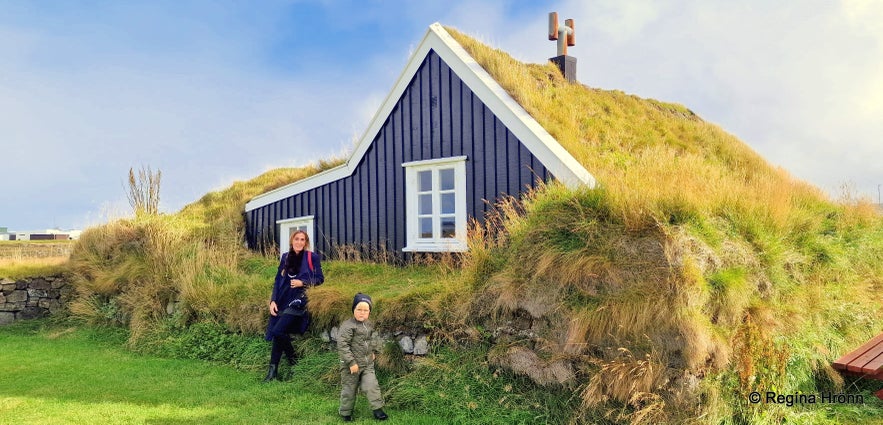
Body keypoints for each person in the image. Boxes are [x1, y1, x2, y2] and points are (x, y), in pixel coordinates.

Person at [263, 230, 324, 382]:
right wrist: (273, 300)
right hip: (283, 299)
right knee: (279, 332)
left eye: (302, 240)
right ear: (292, 241)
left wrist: (302, 282)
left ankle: (293, 361)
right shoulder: (285, 257)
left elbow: (320, 279)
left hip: (299, 300)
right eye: (297, 239)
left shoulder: (312, 257)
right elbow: (278, 280)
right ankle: (273, 373)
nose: (299, 242)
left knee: (277, 331)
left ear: (306, 242)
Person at [337, 293, 388, 421]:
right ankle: (345, 413)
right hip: (351, 366)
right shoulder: (348, 326)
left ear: (369, 312)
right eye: (359, 309)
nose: (362, 313)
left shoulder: (369, 325)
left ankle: (378, 410)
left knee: (371, 385)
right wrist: (351, 362)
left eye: (365, 310)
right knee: (349, 389)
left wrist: (373, 351)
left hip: (367, 364)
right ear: (353, 309)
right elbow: (343, 345)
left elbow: (373, 339)